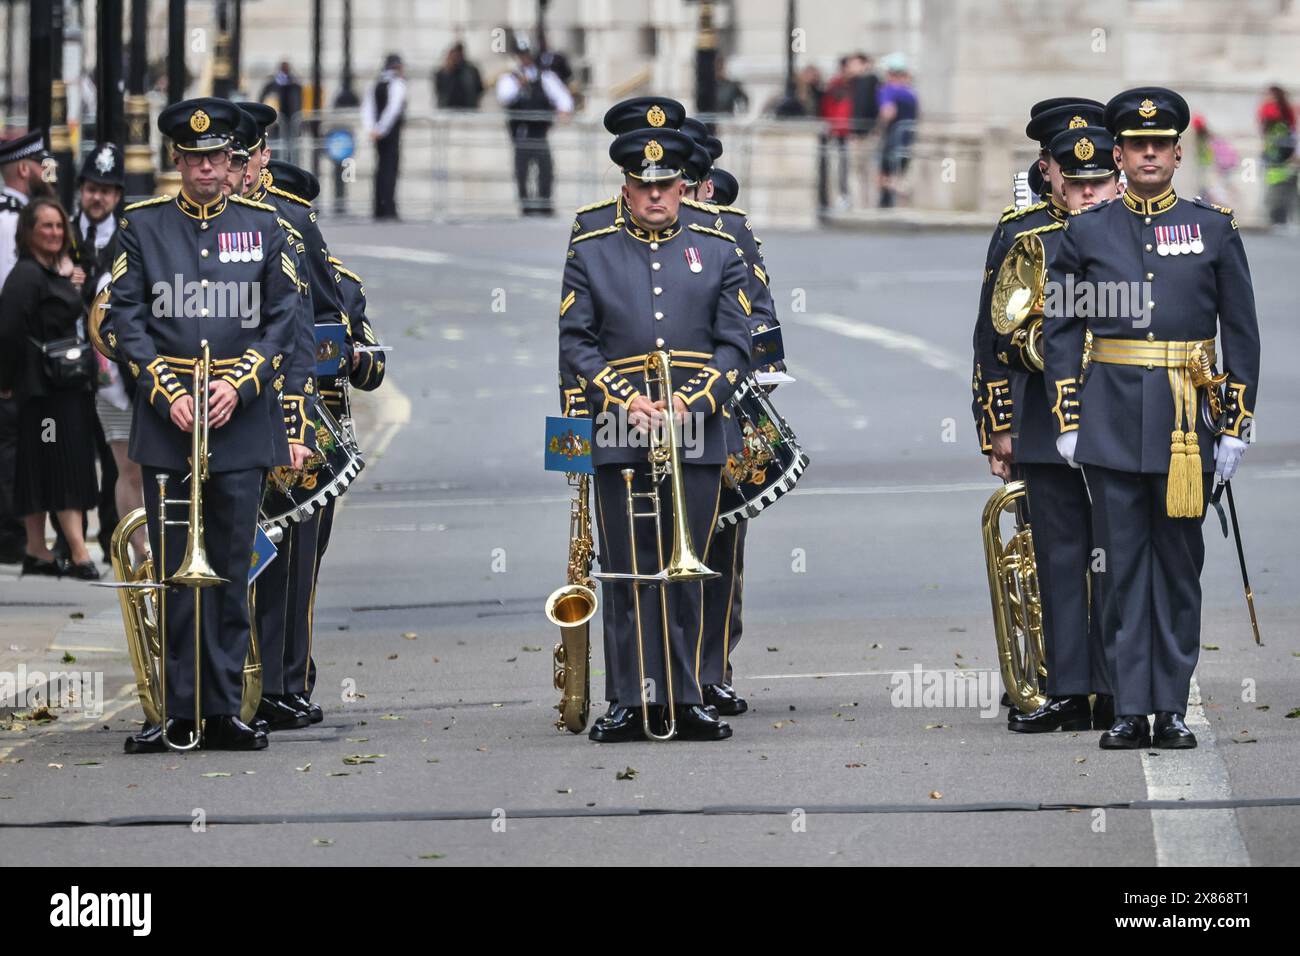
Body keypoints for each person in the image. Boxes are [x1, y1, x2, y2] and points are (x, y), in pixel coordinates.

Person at [1043, 87, 1260, 750]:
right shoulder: (1086, 231)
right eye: (1136, 145)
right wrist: (1069, 413)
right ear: (1118, 153)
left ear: (1176, 152)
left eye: (1159, 145)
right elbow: (1060, 329)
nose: (1147, 154)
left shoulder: (1213, 228)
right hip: (1109, 417)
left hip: (1186, 424)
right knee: (1120, 569)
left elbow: (1241, 335)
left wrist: (1234, 423)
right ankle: (1131, 706)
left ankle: (1171, 706)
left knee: (1178, 570)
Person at [107, 97, 305, 753]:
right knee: (173, 570)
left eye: (215, 157)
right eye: (192, 159)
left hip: (239, 421)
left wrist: (239, 383)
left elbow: (282, 320)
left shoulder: (265, 224)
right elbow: (124, 321)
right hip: (172, 423)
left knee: (227, 568)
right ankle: (176, 711)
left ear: (231, 161)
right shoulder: (143, 226)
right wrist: (167, 392)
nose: (204, 169)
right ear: (177, 160)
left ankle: (223, 709)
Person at [559, 127, 751, 742]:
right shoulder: (592, 250)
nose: (656, 197)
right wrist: (624, 400)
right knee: (627, 568)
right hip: (621, 422)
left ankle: (687, 697)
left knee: (688, 564)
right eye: (644, 188)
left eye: (666, 186)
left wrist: (691, 404)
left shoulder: (719, 247)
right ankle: (629, 699)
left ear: (682, 187)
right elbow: (576, 345)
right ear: (627, 188)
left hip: (694, 424)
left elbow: (736, 346)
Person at [996, 125, 1121, 734]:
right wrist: (997, 426)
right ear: (1056, 182)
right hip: (1047, 420)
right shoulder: (1029, 238)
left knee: (1118, 556)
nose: (1088, 195)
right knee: (1060, 556)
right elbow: (992, 342)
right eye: (1078, 185)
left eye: (1099, 183)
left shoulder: (1140, 237)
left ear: (1116, 180)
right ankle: (1069, 688)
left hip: (1123, 416)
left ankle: (1118, 683)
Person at [0, 197, 100, 580]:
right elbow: (7, 331)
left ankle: (38, 550)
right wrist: (7, 381)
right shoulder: (25, 276)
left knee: (46, 463)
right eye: (46, 226)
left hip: (62, 392)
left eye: (59, 226)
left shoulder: (51, 272)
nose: (55, 233)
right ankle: (76, 551)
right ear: (28, 231)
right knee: (57, 463)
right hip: (45, 397)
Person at [72, 143, 127, 561]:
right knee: (70, 451)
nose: (98, 197)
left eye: (107, 190)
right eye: (93, 188)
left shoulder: (128, 239)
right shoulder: (60, 230)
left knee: (117, 456)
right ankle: (71, 540)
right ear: (81, 189)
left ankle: (113, 538)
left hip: (113, 372)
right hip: (68, 366)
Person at [0, 131, 52, 566]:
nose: (43, 172)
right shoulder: (15, 220)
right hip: (13, 347)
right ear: (23, 168)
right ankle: (11, 533)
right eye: (38, 164)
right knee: (15, 444)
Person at [496, 35, 573, 216]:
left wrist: (563, 110)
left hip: (540, 132)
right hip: (521, 133)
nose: (524, 58)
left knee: (546, 169)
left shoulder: (544, 76)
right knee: (522, 171)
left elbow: (563, 97)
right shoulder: (511, 78)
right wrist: (519, 84)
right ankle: (526, 206)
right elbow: (504, 97)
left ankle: (544, 203)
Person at [362, 54, 407, 220]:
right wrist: (381, 129)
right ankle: (388, 207)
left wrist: (372, 129)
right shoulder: (397, 84)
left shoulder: (376, 84)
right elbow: (393, 110)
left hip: (378, 132)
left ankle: (379, 207)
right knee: (390, 169)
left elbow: (367, 109)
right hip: (389, 133)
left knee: (380, 169)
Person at [876, 52, 918, 207]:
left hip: (892, 136)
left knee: (883, 175)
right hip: (907, 138)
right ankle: (898, 190)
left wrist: (878, 127)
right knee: (897, 172)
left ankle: (900, 190)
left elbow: (888, 111)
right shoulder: (911, 93)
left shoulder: (888, 90)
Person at [820, 57, 856, 210]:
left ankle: (844, 196)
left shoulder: (855, 85)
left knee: (845, 167)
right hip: (836, 130)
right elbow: (828, 106)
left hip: (848, 130)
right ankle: (837, 197)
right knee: (835, 166)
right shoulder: (835, 85)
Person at [1259, 85, 1298, 227]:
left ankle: (1281, 218)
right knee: (1277, 190)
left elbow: (1293, 133)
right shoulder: (1283, 111)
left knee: (1284, 190)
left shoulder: (1277, 111)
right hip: (1275, 158)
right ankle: (1276, 217)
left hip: (1282, 157)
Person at [258, 62, 303, 163]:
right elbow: (263, 99)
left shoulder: (295, 84)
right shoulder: (271, 84)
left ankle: (290, 163)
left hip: (291, 120)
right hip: (276, 121)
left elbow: (298, 102)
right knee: (276, 144)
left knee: (291, 146)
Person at [434, 42, 483, 110]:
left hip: (468, 110)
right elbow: (440, 92)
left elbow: (479, 89)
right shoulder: (442, 73)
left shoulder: (471, 70)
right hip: (448, 110)